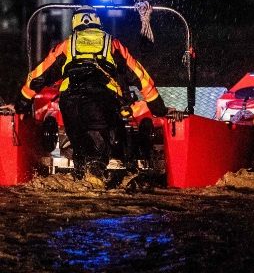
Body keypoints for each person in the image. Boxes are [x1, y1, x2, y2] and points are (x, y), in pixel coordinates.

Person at [19, 9, 168, 179]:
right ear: (99, 22)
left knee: (81, 158)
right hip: (101, 99)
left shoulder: (67, 45)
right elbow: (140, 77)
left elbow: (37, 77)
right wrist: (158, 108)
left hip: (69, 102)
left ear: (74, 23)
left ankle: (79, 177)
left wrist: (21, 104)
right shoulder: (112, 44)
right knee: (98, 160)